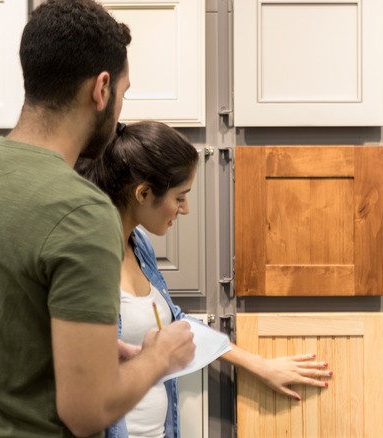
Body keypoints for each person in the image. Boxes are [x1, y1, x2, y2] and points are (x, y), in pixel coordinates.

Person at [0, 1, 195, 437]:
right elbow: (88, 410)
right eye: (123, 92)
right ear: (101, 89)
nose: (119, 111)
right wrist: (160, 357)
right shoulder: (83, 212)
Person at [76, 121, 333, 438]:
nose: (185, 209)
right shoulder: (86, 261)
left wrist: (259, 365)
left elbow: (175, 324)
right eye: (180, 196)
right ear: (143, 193)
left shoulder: (138, 244)